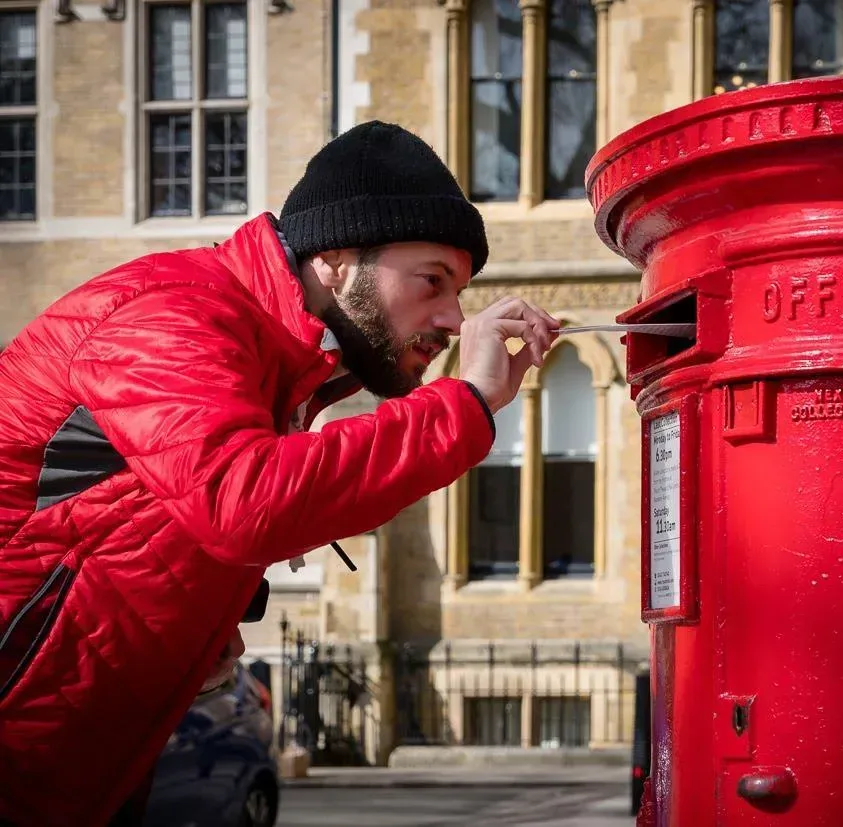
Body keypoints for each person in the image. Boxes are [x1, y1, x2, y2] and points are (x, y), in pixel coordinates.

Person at [0, 120, 559, 827]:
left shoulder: (278, 367)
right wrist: (466, 404)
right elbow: (244, 501)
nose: (453, 319)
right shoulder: (175, 312)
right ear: (333, 261)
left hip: (82, 767)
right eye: (433, 281)